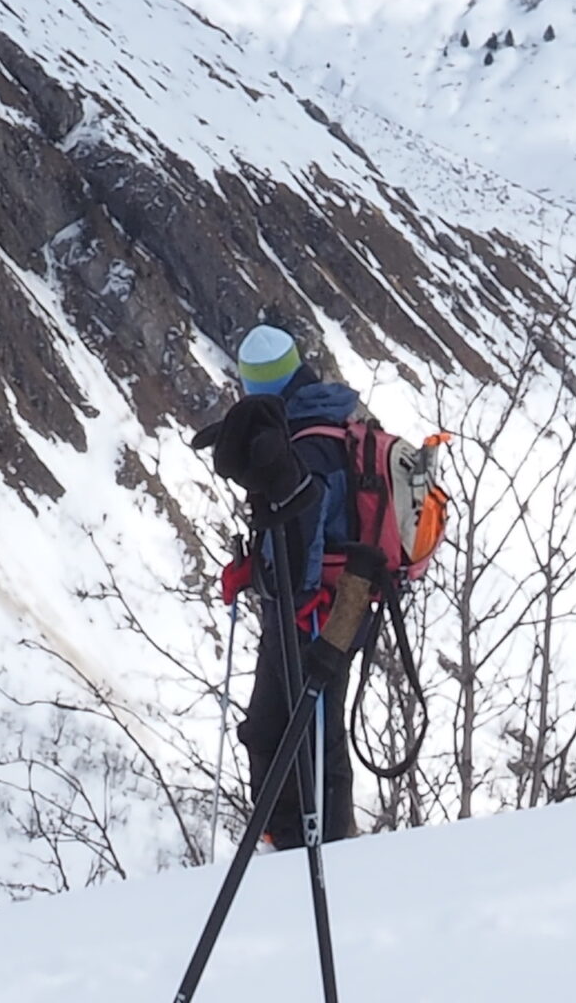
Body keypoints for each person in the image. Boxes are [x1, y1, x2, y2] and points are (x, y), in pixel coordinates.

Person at [207, 324, 371, 850]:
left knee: (284, 731)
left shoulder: (301, 441)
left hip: (313, 611)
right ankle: (314, 839)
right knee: (310, 729)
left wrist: (258, 577)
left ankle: (301, 845)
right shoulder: (333, 413)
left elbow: (300, 546)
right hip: (347, 599)